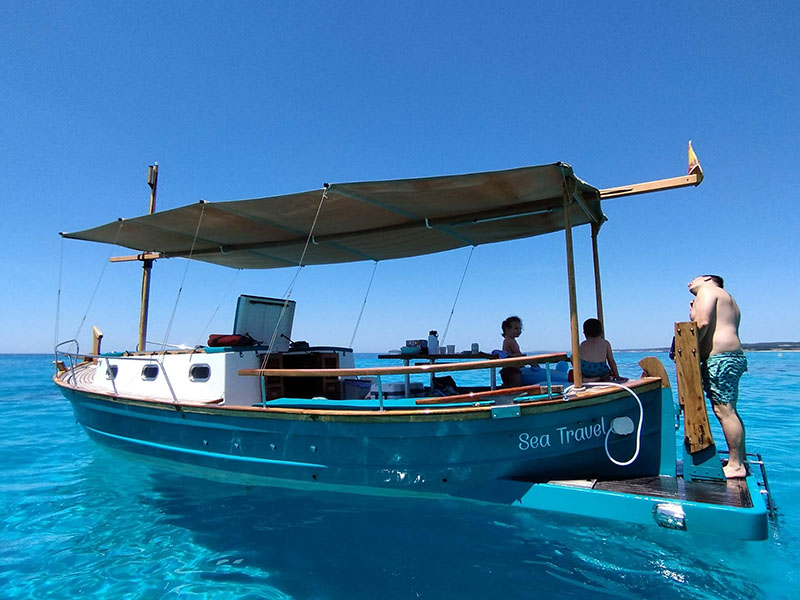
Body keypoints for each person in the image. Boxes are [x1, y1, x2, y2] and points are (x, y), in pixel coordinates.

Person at [688, 274, 748, 479]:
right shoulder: (727, 298)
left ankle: (736, 466)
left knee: (724, 411)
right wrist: (693, 310)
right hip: (733, 357)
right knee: (730, 410)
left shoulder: (707, 291)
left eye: (693, 279)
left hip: (720, 359)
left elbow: (702, 323)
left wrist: (691, 349)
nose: (689, 283)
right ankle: (738, 459)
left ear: (706, 279)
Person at [578, 318, 622, 382]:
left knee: (573, 357)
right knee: (608, 373)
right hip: (600, 369)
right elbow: (611, 361)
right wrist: (617, 376)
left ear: (585, 333)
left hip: (585, 369)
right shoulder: (605, 343)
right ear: (601, 331)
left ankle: (585, 379)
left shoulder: (583, 344)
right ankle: (601, 378)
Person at [499, 316, 524, 387]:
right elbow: (518, 354)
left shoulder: (506, 340)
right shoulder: (511, 341)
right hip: (512, 370)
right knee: (516, 388)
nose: (519, 331)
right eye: (516, 328)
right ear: (507, 329)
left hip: (506, 369)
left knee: (508, 387)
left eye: (520, 328)